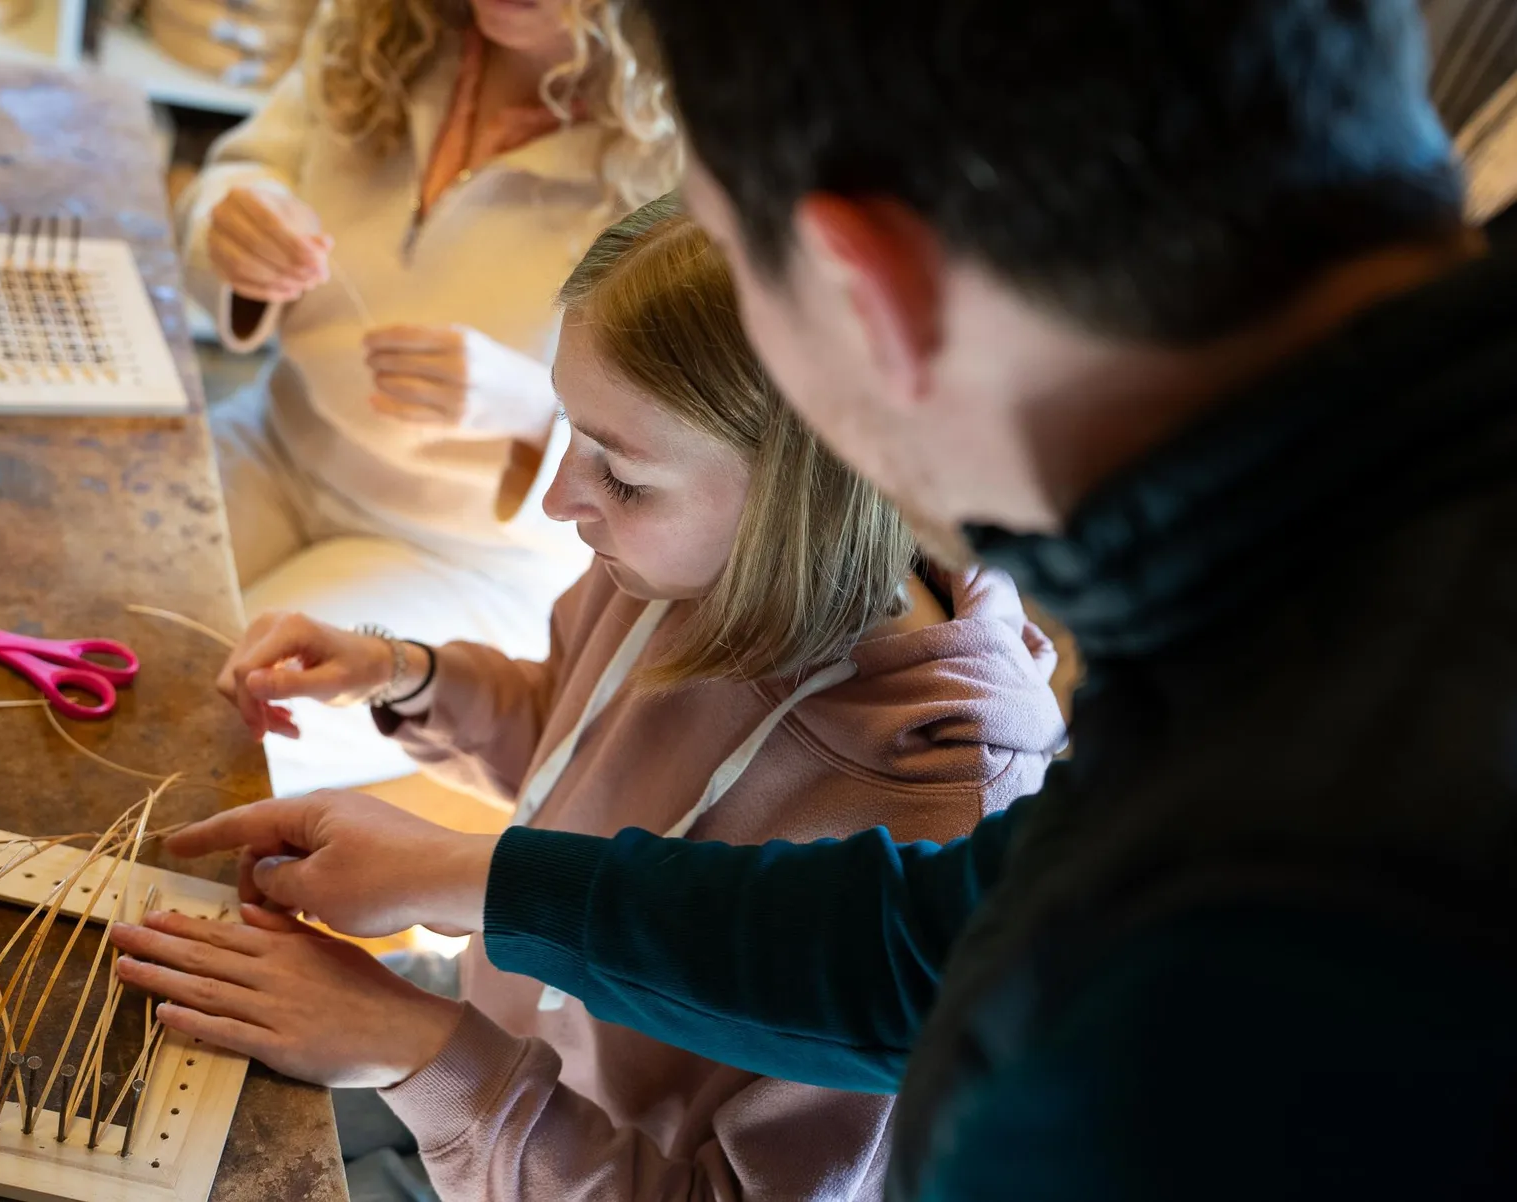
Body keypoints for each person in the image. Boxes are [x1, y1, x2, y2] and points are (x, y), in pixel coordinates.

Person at [126, 1, 1517, 1198]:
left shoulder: (1252, 929)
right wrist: (482, 873)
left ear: (864, 292)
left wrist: (447, 1031)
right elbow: (919, 938)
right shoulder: (1330, 613)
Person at [116, 198, 1066, 1199]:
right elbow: (576, 750)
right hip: (498, 1039)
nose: (561, 496)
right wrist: (412, 675)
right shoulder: (676, 568)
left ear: (805, 495)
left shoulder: (951, 812)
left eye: (620, 470)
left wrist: (419, 1051)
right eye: (572, 430)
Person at [177, 0, 678, 792]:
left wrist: (531, 406)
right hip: (279, 444)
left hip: (465, 554)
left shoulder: (688, 150)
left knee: (211, 717)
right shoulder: (375, 32)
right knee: (99, 612)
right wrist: (235, 226)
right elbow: (244, 170)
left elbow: (700, 441)